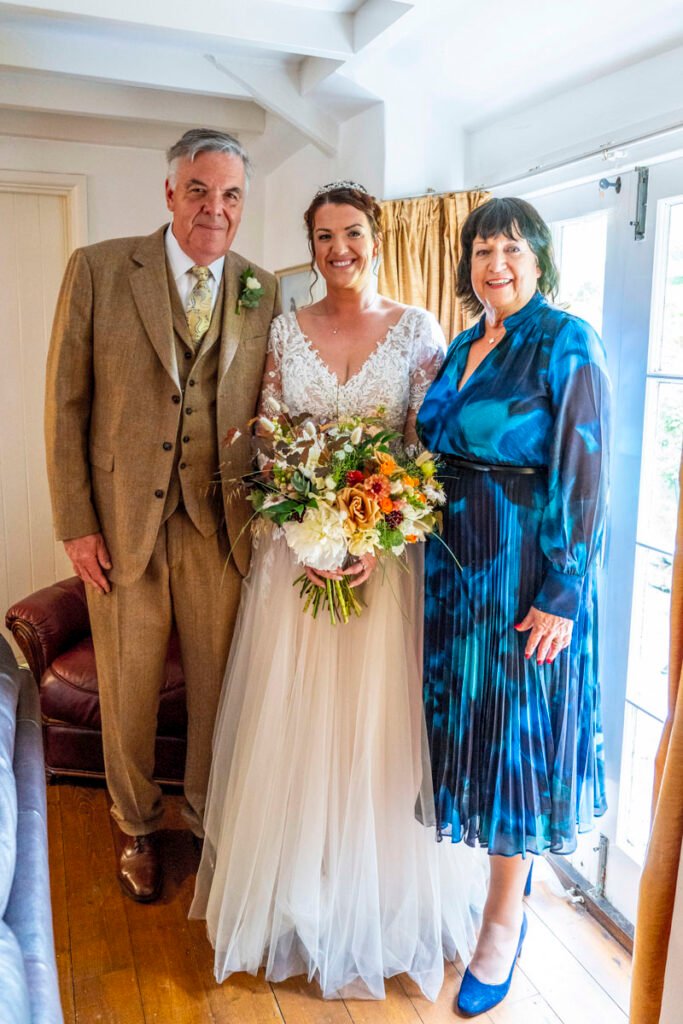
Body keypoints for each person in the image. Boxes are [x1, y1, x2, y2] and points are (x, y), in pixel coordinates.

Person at [190, 181, 486, 1000]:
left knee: (375, 734)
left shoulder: (417, 329)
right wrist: (308, 529)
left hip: (382, 565)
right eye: (322, 237)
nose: (337, 250)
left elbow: (428, 447)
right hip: (303, 560)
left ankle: (380, 905)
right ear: (312, 246)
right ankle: (299, 900)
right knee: (299, 727)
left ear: (376, 238)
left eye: (350, 233)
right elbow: (274, 436)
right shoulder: (286, 328)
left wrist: (381, 531)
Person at [44, 128, 279, 903]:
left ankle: (208, 820)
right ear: (170, 192)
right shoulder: (102, 268)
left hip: (221, 525)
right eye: (201, 190)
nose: (216, 207)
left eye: (232, 194)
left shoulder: (261, 287)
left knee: (220, 689)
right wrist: (77, 522)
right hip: (118, 525)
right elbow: (67, 403)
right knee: (129, 685)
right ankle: (138, 824)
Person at [417, 196, 610, 1017]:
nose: (494, 263)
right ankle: (484, 893)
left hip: (527, 571)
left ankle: (504, 920)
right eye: (481, 249)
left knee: (512, 751)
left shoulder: (565, 340)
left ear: (539, 259)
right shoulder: (464, 343)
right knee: (469, 731)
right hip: (455, 573)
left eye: (511, 249)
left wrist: (563, 591)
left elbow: (585, 465)